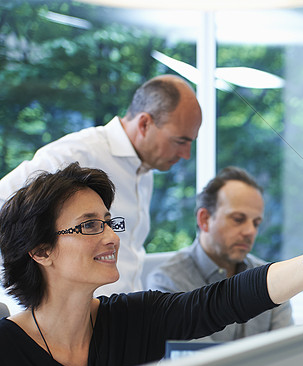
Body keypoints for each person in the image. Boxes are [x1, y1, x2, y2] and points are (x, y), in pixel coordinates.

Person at [0, 163, 303, 366]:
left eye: (108, 222)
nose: (111, 237)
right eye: (89, 226)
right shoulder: (7, 350)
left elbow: (226, 300)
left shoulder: (134, 320)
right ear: (40, 250)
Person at [0, 75, 203, 301]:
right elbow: (4, 207)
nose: (186, 154)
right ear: (145, 123)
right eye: (180, 141)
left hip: (118, 317)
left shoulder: (145, 171)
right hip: (73, 322)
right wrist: (33, 299)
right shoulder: (76, 154)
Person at [146, 166, 293, 340]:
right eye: (238, 219)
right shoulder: (167, 283)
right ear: (204, 219)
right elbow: (200, 363)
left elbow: (286, 355)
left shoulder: (271, 278)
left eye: (256, 223)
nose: (250, 231)